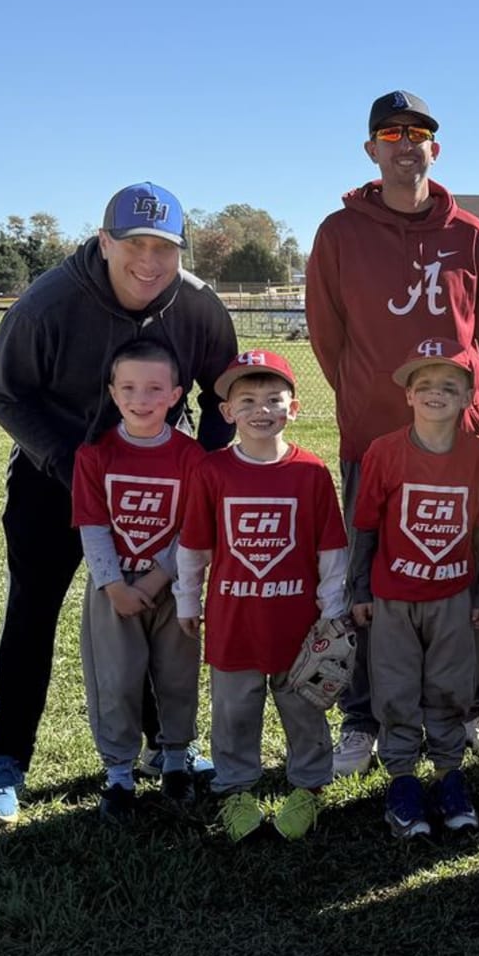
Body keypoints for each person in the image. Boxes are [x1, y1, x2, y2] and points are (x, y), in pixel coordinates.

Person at [0, 182, 236, 828]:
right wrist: (76, 466)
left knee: (159, 612)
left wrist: (198, 474)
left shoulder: (198, 307)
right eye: (134, 246)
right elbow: (3, 393)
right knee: (33, 609)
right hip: (54, 475)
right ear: (105, 241)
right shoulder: (49, 304)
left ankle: (165, 748)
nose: (149, 262)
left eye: (165, 248)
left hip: (160, 482)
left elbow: (224, 393)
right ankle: (7, 762)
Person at [305, 90, 479, 775]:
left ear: (434, 149)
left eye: (418, 131)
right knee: (369, 576)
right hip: (375, 438)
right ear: (371, 149)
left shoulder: (470, 234)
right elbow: (329, 339)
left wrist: (451, 413)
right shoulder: (339, 233)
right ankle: (362, 718)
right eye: (390, 132)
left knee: (468, 564)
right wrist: (372, 400)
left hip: (456, 444)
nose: (405, 141)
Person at [172, 350, 351, 843]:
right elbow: (194, 548)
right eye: (246, 399)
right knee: (234, 710)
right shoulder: (213, 471)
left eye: (273, 398)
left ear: (293, 408)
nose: (260, 409)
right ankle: (235, 789)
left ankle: (309, 787)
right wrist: (188, 601)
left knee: (303, 706)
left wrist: (333, 615)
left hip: (298, 626)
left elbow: (331, 550)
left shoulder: (311, 472)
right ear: (227, 411)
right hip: (234, 621)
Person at [349, 341, 479, 839]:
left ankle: (448, 775)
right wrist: (359, 589)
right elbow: (366, 527)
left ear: (467, 399)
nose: (436, 394)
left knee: (449, 686)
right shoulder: (384, 453)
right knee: (394, 688)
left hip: (452, 597)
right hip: (394, 598)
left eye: (449, 387)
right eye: (425, 387)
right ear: (409, 397)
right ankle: (401, 780)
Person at [68, 339, 205, 821]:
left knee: (177, 674)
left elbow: (193, 528)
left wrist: (154, 581)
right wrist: (116, 586)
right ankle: (119, 775)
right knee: (116, 679)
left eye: (153, 388)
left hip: (172, 586)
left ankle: (174, 762)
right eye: (128, 387)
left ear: (174, 394)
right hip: (114, 588)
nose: (140, 398)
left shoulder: (191, 457)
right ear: (111, 391)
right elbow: (93, 525)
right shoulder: (95, 454)